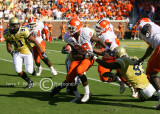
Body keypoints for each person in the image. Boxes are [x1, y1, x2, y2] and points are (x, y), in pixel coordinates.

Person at [50, 18, 107, 103]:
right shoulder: (68, 37)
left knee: (79, 71)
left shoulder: (86, 33)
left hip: (87, 58)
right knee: (69, 79)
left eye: (71, 28)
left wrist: (107, 48)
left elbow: (98, 42)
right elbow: (73, 47)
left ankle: (87, 93)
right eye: (69, 27)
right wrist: (68, 48)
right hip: (76, 58)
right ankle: (77, 96)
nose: (69, 30)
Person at [3, 17, 48, 89]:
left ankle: (33, 70)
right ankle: (29, 82)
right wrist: (11, 51)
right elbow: (8, 46)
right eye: (13, 25)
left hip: (27, 51)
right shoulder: (6, 33)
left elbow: (35, 41)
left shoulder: (23, 30)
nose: (15, 27)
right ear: (10, 25)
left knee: (29, 71)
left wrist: (42, 52)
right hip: (17, 52)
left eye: (16, 25)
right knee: (17, 70)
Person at [93, 19, 126, 94]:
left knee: (123, 75)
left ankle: (134, 90)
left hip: (115, 56)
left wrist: (91, 49)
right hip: (107, 56)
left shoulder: (107, 36)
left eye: (99, 28)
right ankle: (118, 81)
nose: (97, 29)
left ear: (105, 29)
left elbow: (103, 52)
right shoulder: (107, 27)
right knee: (103, 77)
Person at [136, 17, 160, 110]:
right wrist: (143, 58)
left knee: (151, 72)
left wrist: (146, 29)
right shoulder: (154, 31)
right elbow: (150, 48)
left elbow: (146, 26)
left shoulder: (145, 25)